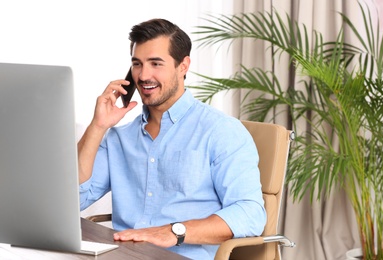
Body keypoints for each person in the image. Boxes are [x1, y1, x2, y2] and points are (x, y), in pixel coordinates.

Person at [78, 18, 266, 259]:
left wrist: (174, 232)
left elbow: (250, 214)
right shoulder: (119, 138)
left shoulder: (221, 131)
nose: (144, 75)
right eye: (137, 64)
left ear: (183, 66)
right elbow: (75, 198)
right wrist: (97, 126)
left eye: (156, 63)